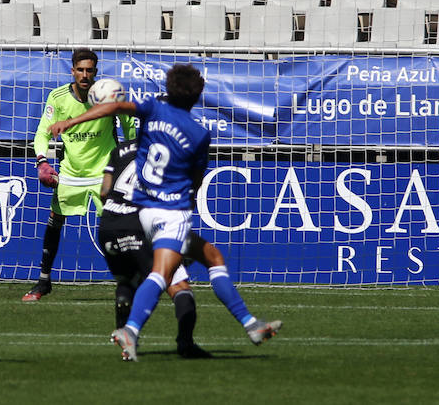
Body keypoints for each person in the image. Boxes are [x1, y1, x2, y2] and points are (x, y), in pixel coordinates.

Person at [51, 63, 280, 361]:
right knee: (162, 274)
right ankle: (130, 331)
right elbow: (196, 180)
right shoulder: (199, 134)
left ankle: (252, 325)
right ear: (197, 96)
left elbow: (114, 107)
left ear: (169, 89)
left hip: (145, 209)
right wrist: (189, 197)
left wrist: (71, 122)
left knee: (212, 256)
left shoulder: (153, 111)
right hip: (171, 211)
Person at [24, 48, 136, 302]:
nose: (85, 75)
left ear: (96, 71)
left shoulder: (109, 94)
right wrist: (42, 161)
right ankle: (43, 281)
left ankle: (132, 278)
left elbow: (130, 128)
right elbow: (43, 132)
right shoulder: (59, 97)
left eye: (90, 70)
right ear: (72, 70)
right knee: (55, 220)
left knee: (118, 224)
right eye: (80, 70)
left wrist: (130, 161)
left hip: (104, 173)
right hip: (72, 172)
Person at [99, 139, 210, 359]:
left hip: (108, 225)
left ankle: (126, 343)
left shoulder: (120, 149)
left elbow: (104, 191)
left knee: (128, 280)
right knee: (177, 282)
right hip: (139, 223)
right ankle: (185, 343)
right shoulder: (167, 151)